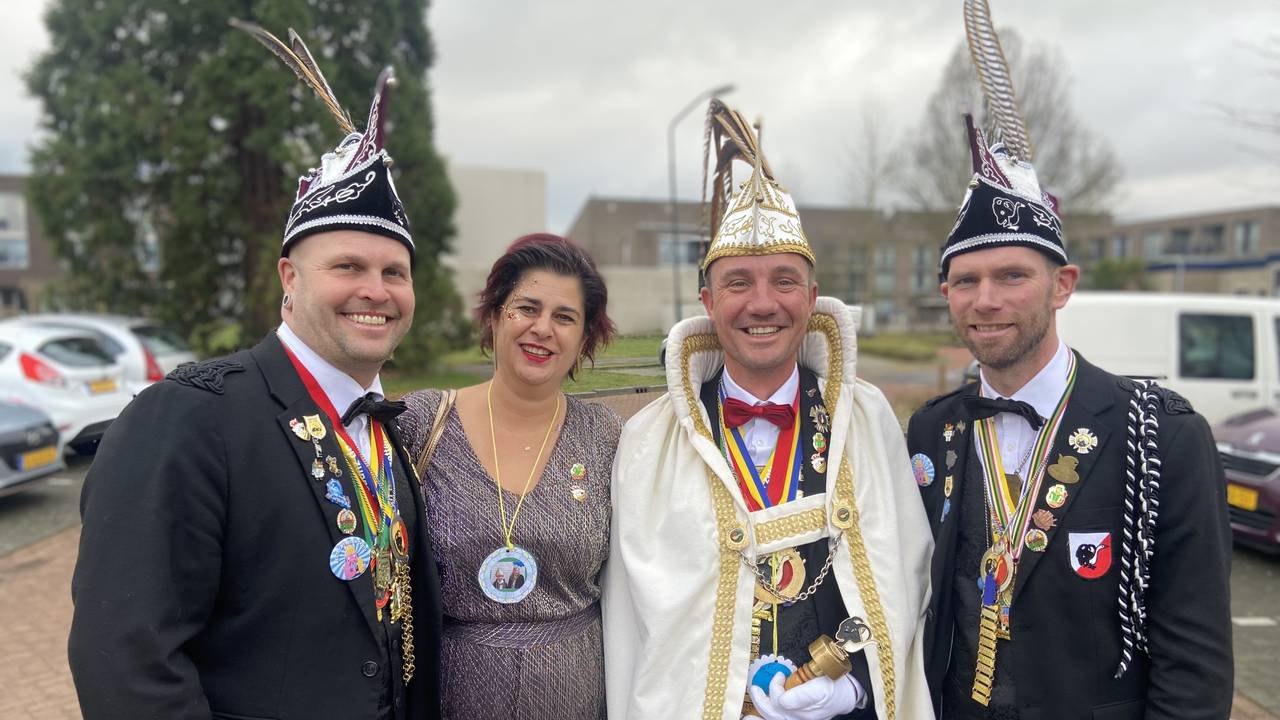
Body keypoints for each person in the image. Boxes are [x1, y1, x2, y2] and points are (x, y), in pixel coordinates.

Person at [68, 23, 442, 720]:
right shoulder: (186, 419)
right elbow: (128, 663)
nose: (376, 289)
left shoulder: (388, 432)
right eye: (347, 268)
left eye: (395, 272)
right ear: (288, 279)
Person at [907, 4, 1233, 718]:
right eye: (966, 281)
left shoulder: (1163, 438)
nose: (986, 299)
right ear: (947, 294)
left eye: (1012, 277)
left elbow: (1195, 666)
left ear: (1063, 285)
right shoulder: (930, 434)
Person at [603, 101, 934, 720]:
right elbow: (634, 624)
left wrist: (851, 687)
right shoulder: (648, 441)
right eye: (738, 283)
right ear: (707, 299)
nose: (763, 304)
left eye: (783, 281)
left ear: (811, 298)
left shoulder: (867, 418)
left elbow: (905, 581)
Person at [397, 233, 622, 720]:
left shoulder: (607, 437)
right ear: (495, 315)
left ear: (584, 338)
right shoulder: (422, 423)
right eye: (527, 308)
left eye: (565, 317)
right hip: (451, 692)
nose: (543, 328)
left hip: (577, 694)